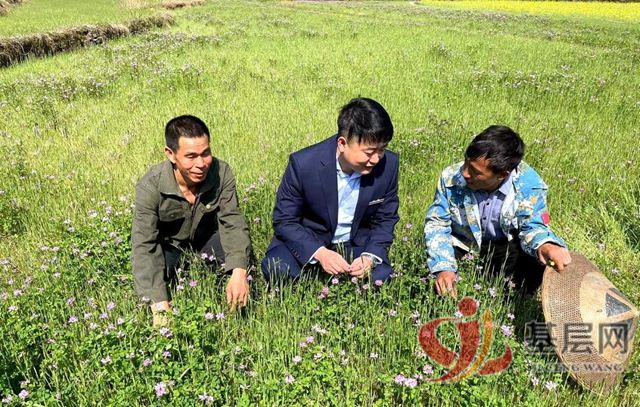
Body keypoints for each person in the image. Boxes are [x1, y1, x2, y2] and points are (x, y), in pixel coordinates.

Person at [261, 98, 400, 284]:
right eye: (369, 152)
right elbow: (284, 220)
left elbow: (386, 219)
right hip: (311, 238)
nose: (376, 159)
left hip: (356, 244)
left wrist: (369, 256)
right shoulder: (303, 164)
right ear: (342, 144)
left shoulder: (388, 165)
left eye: (381, 150)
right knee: (278, 267)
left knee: (381, 276)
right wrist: (320, 253)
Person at [424, 125, 571, 298]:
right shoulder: (450, 177)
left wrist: (545, 244)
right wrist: (443, 268)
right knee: (430, 277)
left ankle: (518, 295)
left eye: (475, 171)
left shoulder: (530, 185)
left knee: (535, 260)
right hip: (463, 244)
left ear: (502, 175)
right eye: (466, 163)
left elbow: (532, 226)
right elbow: (438, 223)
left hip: (505, 247)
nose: (464, 173)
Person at [132, 115, 252, 326]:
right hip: (171, 246)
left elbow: (232, 222)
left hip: (208, 240)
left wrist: (239, 271)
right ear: (170, 154)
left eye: (205, 153)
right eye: (191, 156)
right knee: (155, 285)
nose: (201, 164)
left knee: (245, 277)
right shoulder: (150, 186)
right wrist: (159, 305)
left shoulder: (221, 172)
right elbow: (145, 245)